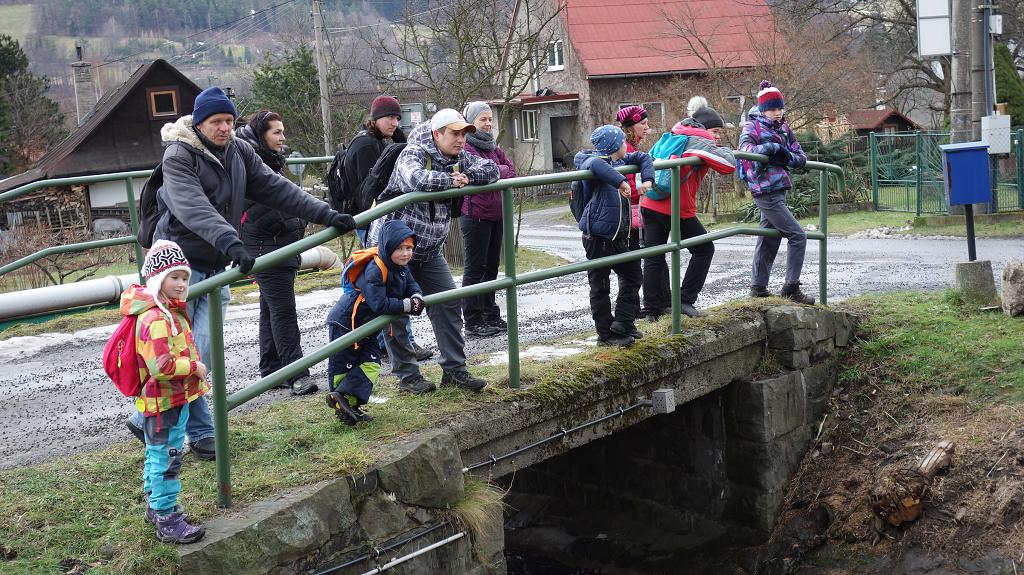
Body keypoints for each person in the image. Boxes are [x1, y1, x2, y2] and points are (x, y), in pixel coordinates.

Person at [126, 87, 357, 459]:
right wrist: (231, 241)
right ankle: (177, 425)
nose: (224, 128)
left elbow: (276, 187)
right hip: (178, 268)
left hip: (215, 262)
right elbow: (191, 206)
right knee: (188, 349)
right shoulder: (179, 155)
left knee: (201, 350)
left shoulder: (238, 151)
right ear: (199, 123)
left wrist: (326, 214)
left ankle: (174, 426)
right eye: (216, 122)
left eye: (229, 121)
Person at [366, 108, 499, 394]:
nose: (461, 140)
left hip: (429, 250)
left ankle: (455, 371)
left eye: (464, 134)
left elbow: (492, 169)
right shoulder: (413, 152)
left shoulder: (458, 157)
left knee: (448, 302)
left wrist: (467, 176)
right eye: (455, 134)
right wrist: (452, 180)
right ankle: (408, 378)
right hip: (394, 252)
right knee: (396, 313)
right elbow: (415, 179)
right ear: (437, 134)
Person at [121, 240, 207, 544]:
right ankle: (167, 518)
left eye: (185, 277)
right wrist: (194, 367)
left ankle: (155, 507)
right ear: (158, 279)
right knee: (167, 459)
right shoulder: (157, 318)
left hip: (167, 401)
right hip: (164, 403)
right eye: (175, 277)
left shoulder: (166, 310)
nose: (182, 284)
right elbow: (161, 366)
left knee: (157, 454)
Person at [343, 95, 433, 363]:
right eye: (389, 118)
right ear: (375, 119)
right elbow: (369, 190)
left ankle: (392, 343)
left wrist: (399, 141)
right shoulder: (366, 146)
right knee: (387, 281)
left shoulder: (379, 141)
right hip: (371, 221)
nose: (394, 123)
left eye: (397, 118)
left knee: (392, 280)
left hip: (376, 219)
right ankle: (391, 343)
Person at [236, 110, 316, 396]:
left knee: (270, 309)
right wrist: (294, 214)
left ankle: (271, 369)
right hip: (267, 249)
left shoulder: (268, 162)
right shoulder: (252, 166)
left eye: (283, 131)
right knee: (284, 312)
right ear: (261, 135)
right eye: (276, 132)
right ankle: (297, 374)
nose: (283, 137)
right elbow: (262, 208)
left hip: (277, 245)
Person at [640, 103, 735, 320]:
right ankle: (684, 300)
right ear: (704, 128)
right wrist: (726, 150)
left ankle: (653, 309)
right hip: (676, 209)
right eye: (715, 131)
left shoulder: (673, 135)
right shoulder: (699, 140)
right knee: (704, 249)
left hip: (650, 203)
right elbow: (727, 165)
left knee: (654, 257)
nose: (717, 136)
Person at [325, 220, 424, 425]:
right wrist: (407, 305)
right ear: (387, 247)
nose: (405, 253)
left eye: (409, 248)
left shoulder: (401, 267)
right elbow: (379, 304)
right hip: (347, 323)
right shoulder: (375, 268)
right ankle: (342, 399)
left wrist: (416, 296)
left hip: (369, 326)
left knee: (371, 363)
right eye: (399, 248)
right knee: (344, 365)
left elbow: (411, 284)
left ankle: (347, 401)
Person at [574, 125, 655, 346]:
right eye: (621, 142)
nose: (625, 145)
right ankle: (605, 334)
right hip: (597, 236)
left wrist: (647, 179)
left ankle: (623, 323)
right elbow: (596, 164)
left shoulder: (618, 161)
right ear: (613, 146)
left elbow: (644, 157)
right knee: (600, 286)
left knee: (633, 275)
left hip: (616, 236)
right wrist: (620, 182)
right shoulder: (590, 161)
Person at [739, 80, 814, 304]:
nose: (777, 112)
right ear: (762, 109)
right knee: (798, 236)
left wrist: (784, 154)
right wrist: (772, 148)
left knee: (769, 238)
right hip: (764, 189)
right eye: (772, 109)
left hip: (780, 188)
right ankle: (791, 287)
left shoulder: (784, 127)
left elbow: (800, 158)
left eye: (780, 108)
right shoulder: (752, 126)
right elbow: (745, 151)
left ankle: (758, 287)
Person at [460, 101, 515, 338]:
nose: (488, 123)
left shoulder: (493, 146)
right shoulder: (466, 147)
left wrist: (493, 170)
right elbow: (476, 172)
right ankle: (473, 320)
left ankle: (490, 313)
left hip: (496, 214)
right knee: (475, 269)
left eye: (490, 119)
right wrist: (495, 170)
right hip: (476, 216)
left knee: (491, 267)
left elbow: (511, 169)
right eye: (483, 119)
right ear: (471, 123)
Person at [616, 105, 651, 254]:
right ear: (630, 127)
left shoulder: (631, 147)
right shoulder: (627, 148)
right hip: (630, 214)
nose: (647, 127)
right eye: (643, 123)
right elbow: (629, 185)